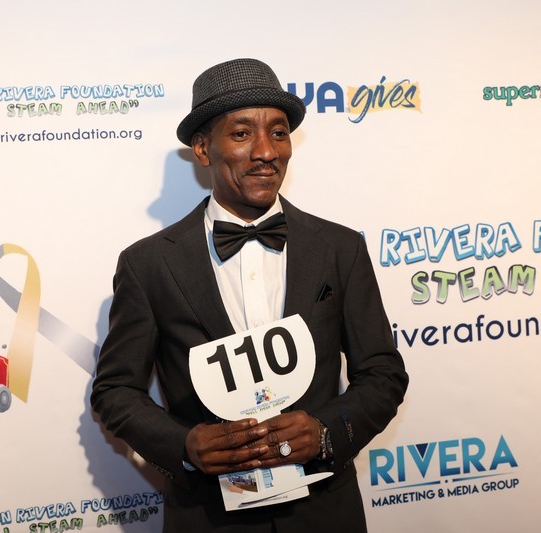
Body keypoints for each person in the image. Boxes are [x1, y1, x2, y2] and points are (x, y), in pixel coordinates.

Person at [91, 58, 408, 532]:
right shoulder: (148, 264)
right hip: (208, 517)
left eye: (278, 133)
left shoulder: (340, 249)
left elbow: (383, 373)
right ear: (203, 149)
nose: (266, 151)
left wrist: (325, 431)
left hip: (324, 514)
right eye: (242, 134)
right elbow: (115, 390)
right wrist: (185, 445)